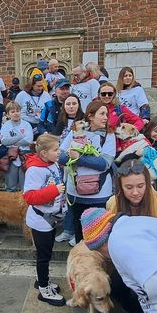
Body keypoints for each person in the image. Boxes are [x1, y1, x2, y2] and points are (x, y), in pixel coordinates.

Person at [105, 159, 157, 313]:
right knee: (117, 288)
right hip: (126, 259)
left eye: (140, 186)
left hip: (156, 259)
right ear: (120, 187)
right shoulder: (112, 204)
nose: (135, 192)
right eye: (129, 187)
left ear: (148, 183)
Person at [58, 100, 116, 243]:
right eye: (102, 114)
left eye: (107, 114)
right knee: (79, 234)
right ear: (90, 116)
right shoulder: (76, 131)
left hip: (100, 193)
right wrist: (78, 158)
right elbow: (61, 156)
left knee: (99, 237)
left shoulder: (109, 135)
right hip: (75, 192)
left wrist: (78, 157)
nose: (106, 117)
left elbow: (104, 164)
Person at [23, 134, 67, 306]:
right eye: (55, 150)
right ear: (43, 154)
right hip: (41, 221)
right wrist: (54, 191)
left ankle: (43, 280)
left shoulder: (52, 164)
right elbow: (30, 196)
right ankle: (44, 289)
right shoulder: (34, 170)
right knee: (43, 256)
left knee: (46, 255)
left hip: (50, 218)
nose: (59, 152)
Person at [51, 93, 85, 246]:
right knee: (66, 198)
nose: (71, 106)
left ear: (79, 105)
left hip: (77, 165)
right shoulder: (61, 121)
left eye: (74, 103)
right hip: (62, 163)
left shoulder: (84, 122)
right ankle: (67, 229)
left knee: (75, 198)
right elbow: (55, 140)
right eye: (68, 104)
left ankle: (77, 232)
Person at [0, 101, 33, 192]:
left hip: (24, 155)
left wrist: (13, 141)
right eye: (12, 111)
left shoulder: (26, 125)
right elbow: (4, 141)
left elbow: (28, 140)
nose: (16, 113)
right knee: (11, 186)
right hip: (10, 156)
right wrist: (21, 137)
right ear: (8, 114)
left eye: (17, 111)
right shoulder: (5, 126)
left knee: (25, 186)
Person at [15, 73, 52, 137]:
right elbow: (15, 108)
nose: (40, 88)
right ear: (32, 85)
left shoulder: (46, 95)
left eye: (41, 85)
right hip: (25, 124)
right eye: (38, 86)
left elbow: (50, 111)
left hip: (41, 125)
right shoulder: (22, 95)